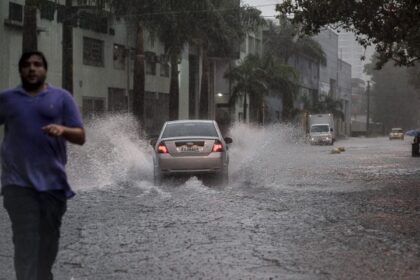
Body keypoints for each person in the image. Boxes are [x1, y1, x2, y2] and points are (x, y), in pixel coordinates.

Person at [0, 51, 85, 280]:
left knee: (47, 246)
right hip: (17, 185)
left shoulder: (62, 98)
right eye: (27, 65)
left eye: (37, 64)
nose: (32, 68)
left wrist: (63, 130)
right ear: (20, 70)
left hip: (53, 186)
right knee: (25, 242)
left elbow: (80, 136)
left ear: (45, 70)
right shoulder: (7, 99)